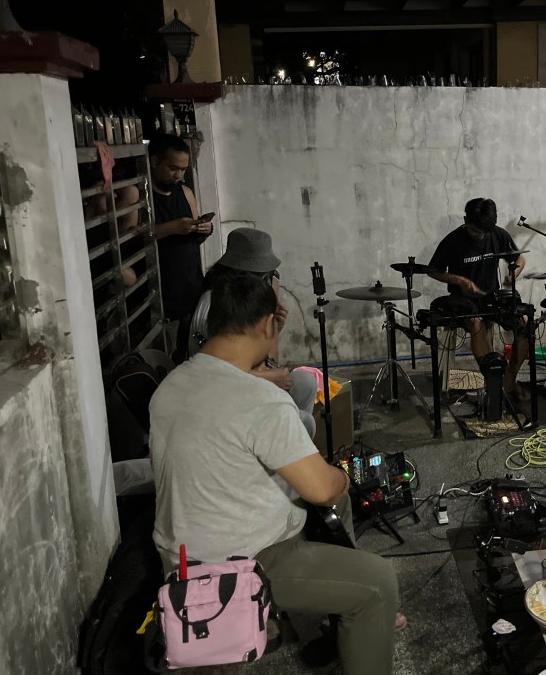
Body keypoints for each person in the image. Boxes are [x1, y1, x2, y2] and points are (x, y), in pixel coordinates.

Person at [150, 272, 400, 675]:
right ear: (268, 324)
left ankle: (338, 620)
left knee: (331, 512)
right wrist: (341, 477)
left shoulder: (173, 384)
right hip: (238, 564)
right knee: (378, 581)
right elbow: (322, 489)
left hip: (179, 553)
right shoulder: (260, 400)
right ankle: (359, 611)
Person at [191, 228, 318, 437]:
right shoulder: (214, 306)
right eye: (263, 275)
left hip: (248, 384)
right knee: (303, 422)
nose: (267, 282)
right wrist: (268, 379)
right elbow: (217, 376)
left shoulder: (244, 303)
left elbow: (263, 358)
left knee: (305, 382)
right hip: (224, 399)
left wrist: (274, 330)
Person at [427, 197, 530, 397]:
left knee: (524, 325)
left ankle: (509, 380)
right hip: (463, 299)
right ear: (466, 220)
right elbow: (433, 271)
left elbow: (519, 258)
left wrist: (513, 274)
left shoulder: (497, 234)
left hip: (491, 297)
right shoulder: (453, 240)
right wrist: (459, 280)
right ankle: (493, 380)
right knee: (476, 321)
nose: (480, 236)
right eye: (476, 231)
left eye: (484, 232)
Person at [149, 134, 212, 355]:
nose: (179, 175)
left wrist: (204, 229)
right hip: (160, 295)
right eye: (173, 168)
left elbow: (195, 236)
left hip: (190, 286)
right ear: (154, 161)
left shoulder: (185, 192)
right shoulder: (143, 197)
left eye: (183, 169)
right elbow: (134, 239)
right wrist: (172, 227)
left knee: (190, 352)